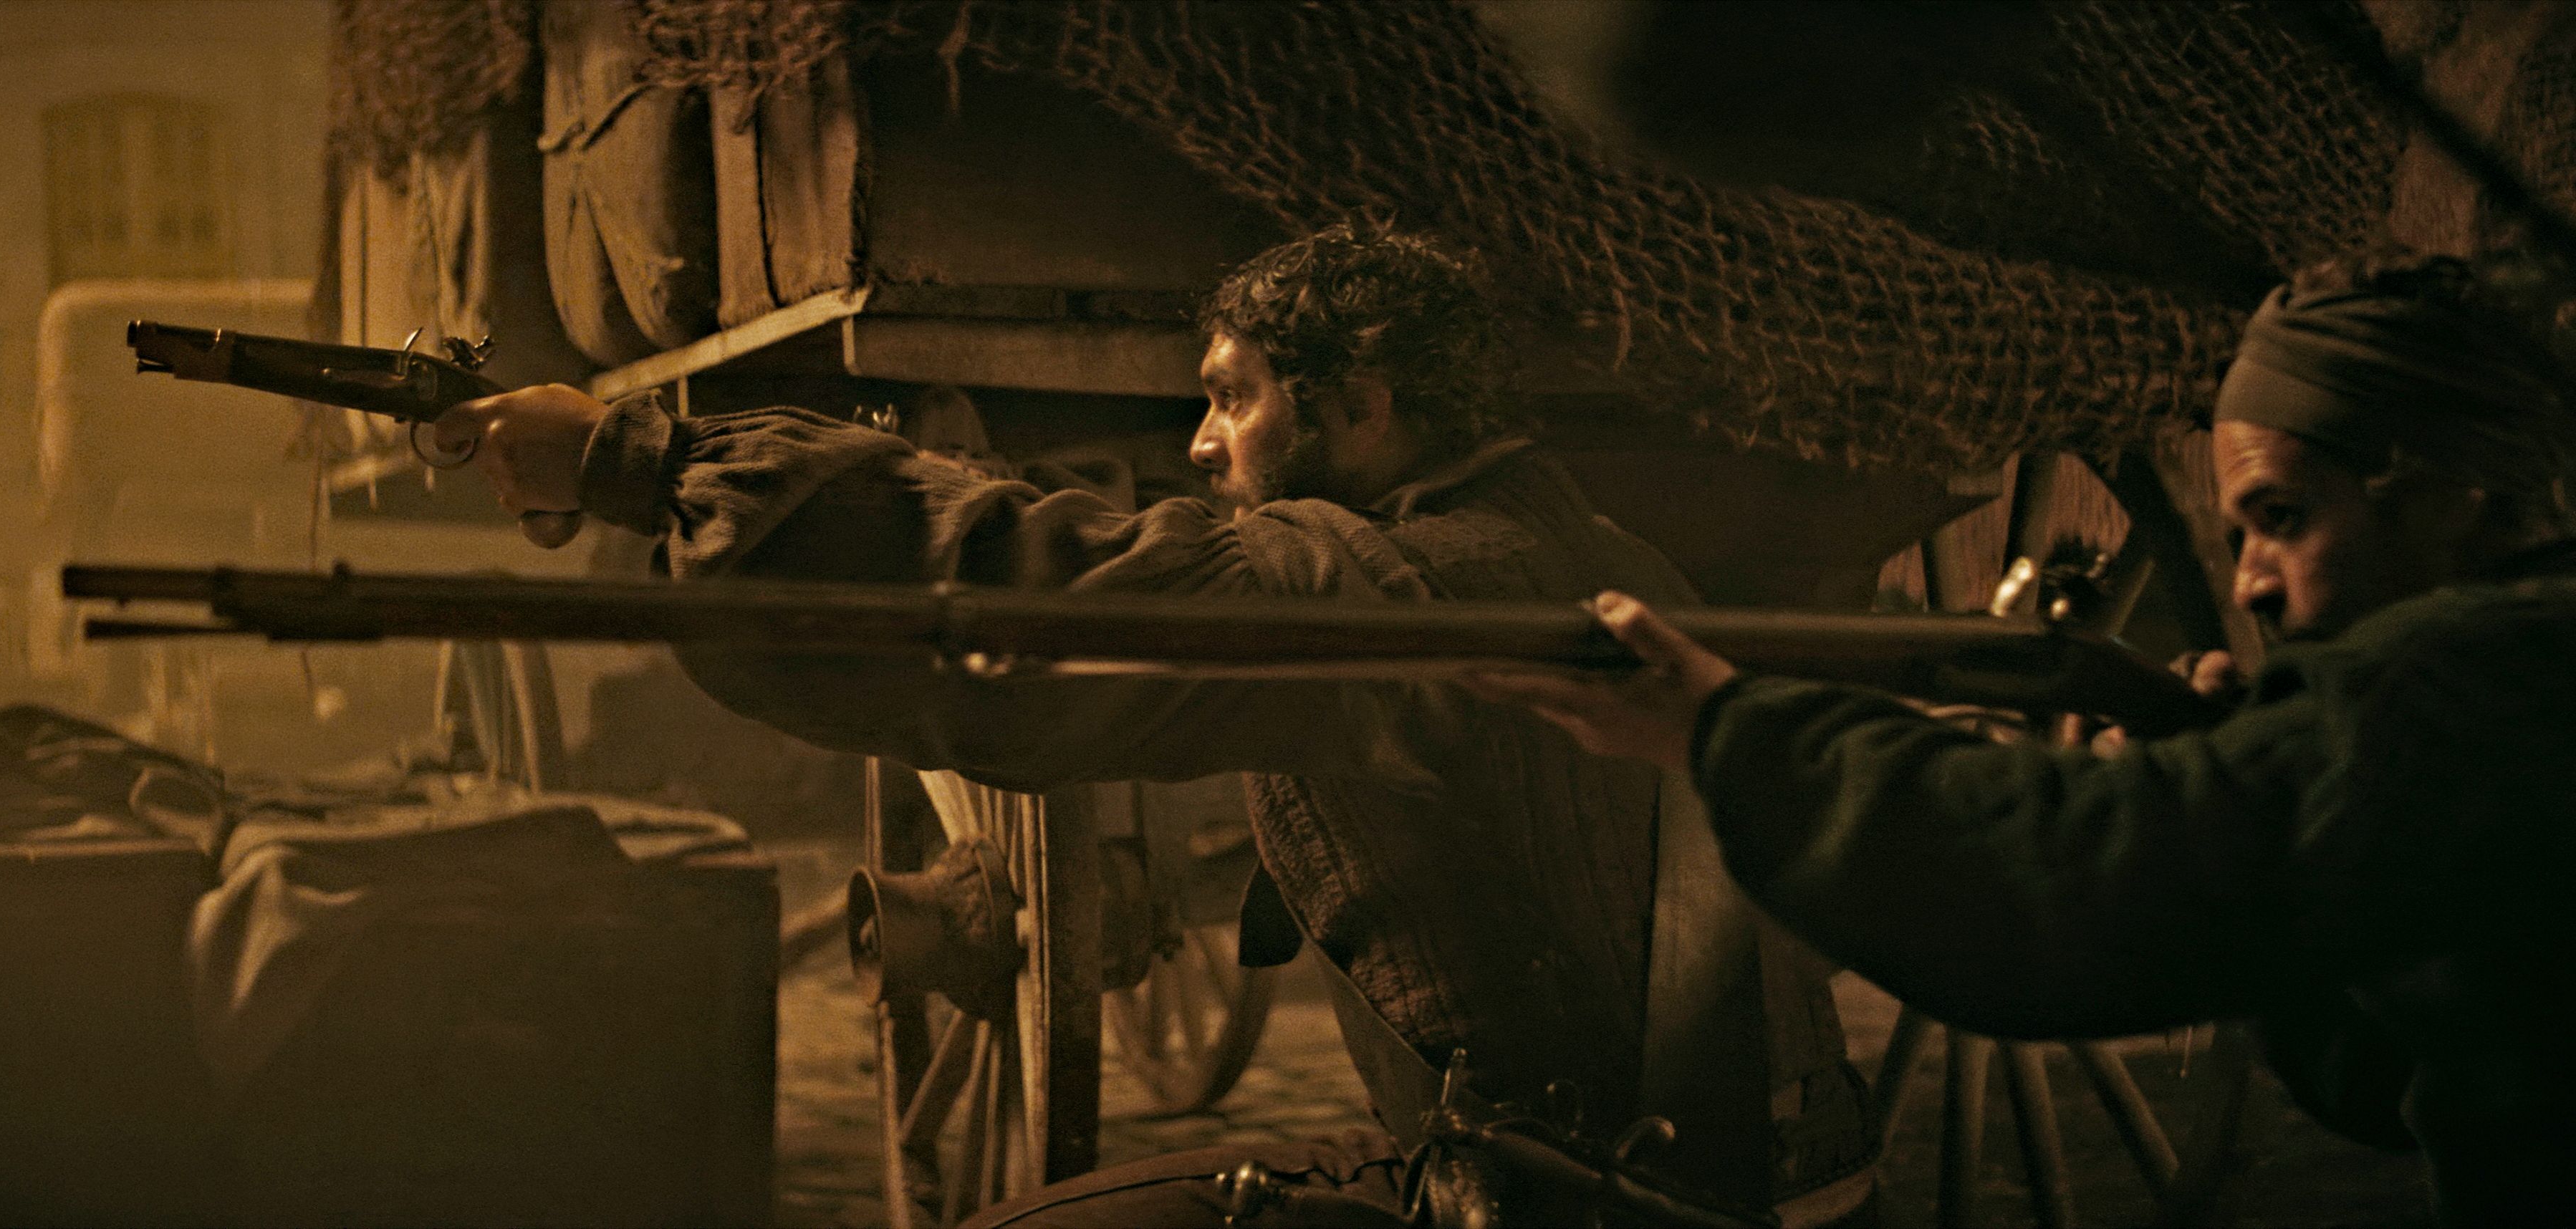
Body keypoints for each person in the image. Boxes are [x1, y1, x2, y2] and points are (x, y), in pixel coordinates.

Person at [446, 225, 1876, 1225]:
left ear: (1362, 409)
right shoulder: (1580, 543)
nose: (1199, 445)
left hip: (1596, 1202)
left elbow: (1058, 591)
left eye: (1231, 399)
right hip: (1759, 1173)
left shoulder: (1406, 585)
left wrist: (645, 461)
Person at [1471, 249, 2576, 1225]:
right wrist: (2249, 787)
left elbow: (2061, 887)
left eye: (2284, 518)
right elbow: (2391, 1076)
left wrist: (1721, 722)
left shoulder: (2465, 675)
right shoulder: (2517, 660)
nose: (2250, 585)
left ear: (2451, 496)